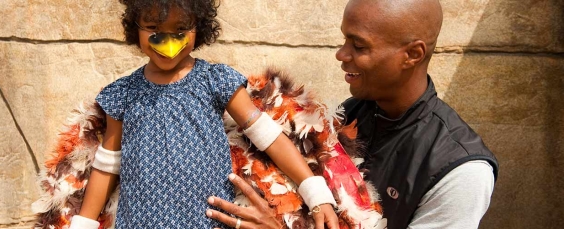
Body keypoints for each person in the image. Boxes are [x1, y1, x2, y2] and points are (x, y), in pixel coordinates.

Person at [206, 0, 499, 228]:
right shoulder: (351, 113)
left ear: (412, 55)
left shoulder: (462, 170)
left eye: (358, 46)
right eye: (345, 40)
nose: (341, 54)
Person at [68, 0, 339, 228]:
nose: (168, 41)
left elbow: (268, 137)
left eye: (181, 29)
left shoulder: (215, 81)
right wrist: (84, 223)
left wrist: (315, 193)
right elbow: (107, 166)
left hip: (209, 222)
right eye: (153, 28)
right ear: (135, 28)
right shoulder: (123, 93)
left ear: (200, 27)